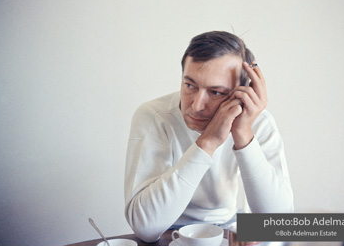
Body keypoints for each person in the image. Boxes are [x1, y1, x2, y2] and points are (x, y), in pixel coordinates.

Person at [124, 31, 294, 243]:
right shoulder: (153, 116)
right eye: (189, 85)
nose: (196, 105)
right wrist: (208, 143)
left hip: (226, 228)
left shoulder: (258, 122)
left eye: (216, 92)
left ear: (242, 92)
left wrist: (243, 134)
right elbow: (146, 228)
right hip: (168, 231)